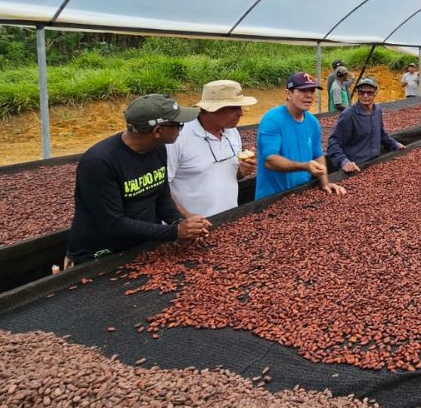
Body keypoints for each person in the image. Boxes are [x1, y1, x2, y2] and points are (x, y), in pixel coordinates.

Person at [65, 94, 211, 265]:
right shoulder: (99, 162)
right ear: (157, 131)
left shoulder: (158, 149)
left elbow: (161, 196)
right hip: (101, 255)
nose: (181, 130)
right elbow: (113, 223)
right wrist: (174, 232)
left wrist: (179, 222)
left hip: (141, 248)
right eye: (178, 125)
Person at [166, 79, 259, 218]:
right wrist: (187, 218)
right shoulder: (177, 137)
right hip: (191, 229)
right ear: (212, 108)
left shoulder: (232, 132)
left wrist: (242, 171)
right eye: (234, 108)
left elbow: (229, 175)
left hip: (228, 221)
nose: (241, 113)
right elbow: (162, 189)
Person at [255, 72, 347, 200]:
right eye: (303, 90)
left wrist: (325, 182)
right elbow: (270, 161)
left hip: (302, 195)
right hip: (271, 200)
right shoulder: (272, 120)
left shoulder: (312, 122)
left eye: (312, 91)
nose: (309, 95)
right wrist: (305, 166)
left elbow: (318, 156)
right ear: (288, 93)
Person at [327, 77, 405, 173]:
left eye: (369, 93)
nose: (365, 95)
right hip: (355, 167)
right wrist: (344, 161)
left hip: (375, 163)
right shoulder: (349, 114)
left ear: (375, 93)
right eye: (361, 92)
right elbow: (334, 141)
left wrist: (395, 144)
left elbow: (380, 133)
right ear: (357, 93)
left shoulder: (378, 111)